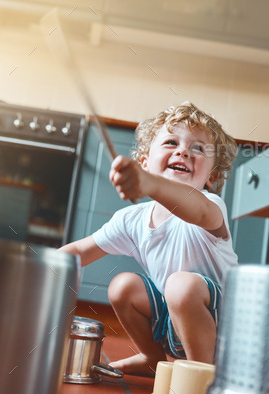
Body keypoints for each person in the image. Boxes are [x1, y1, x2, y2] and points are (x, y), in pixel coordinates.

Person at [59, 102, 239, 376]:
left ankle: (202, 375)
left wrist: (149, 184)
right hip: (175, 326)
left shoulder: (211, 206)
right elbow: (78, 252)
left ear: (211, 177)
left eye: (198, 148)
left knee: (181, 285)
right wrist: (32, 272)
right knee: (123, 286)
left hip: (224, 334)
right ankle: (153, 360)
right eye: (170, 142)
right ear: (144, 162)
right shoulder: (132, 219)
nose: (183, 151)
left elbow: (198, 210)